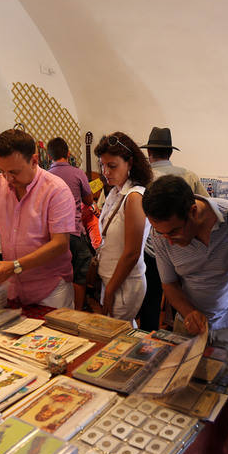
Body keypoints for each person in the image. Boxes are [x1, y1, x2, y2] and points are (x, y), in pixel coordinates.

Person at [142, 175, 228, 349]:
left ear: (193, 212)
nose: (170, 241)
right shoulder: (159, 236)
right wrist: (189, 313)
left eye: (174, 232)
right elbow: (169, 285)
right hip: (189, 325)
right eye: (162, 233)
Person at [0, 129, 76, 307]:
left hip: (50, 289)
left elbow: (60, 243)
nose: (7, 178)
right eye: (2, 171)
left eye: (14, 172)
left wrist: (15, 265)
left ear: (34, 161)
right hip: (12, 287)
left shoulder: (56, 190)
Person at [138, 126, 208, 331]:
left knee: (151, 298)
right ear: (170, 152)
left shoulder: (142, 177)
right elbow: (205, 206)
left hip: (151, 247)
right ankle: (186, 328)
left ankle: (149, 339)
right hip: (186, 247)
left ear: (149, 153)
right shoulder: (189, 175)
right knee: (184, 294)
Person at [92, 132, 152, 321]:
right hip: (111, 279)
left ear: (130, 163)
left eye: (112, 166)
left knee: (119, 332)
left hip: (124, 283)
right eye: (102, 165)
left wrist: (110, 289)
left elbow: (132, 252)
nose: (106, 172)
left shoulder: (134, 197)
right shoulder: (115, 193)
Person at [46, 137, 96, 312]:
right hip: (73, 232)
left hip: (50, 237)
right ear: (68, 154)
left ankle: (59, 312)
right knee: (80, 274)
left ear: (48, 155)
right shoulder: (77, 173)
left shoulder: (44, 176)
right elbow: (89, 200)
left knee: (57, 277)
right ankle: (77, 312)